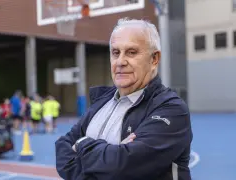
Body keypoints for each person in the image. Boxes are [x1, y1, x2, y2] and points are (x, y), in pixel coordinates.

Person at [55, 18, 193, 180]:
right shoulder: (101, 102)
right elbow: (62, 149)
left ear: (154, 59)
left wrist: (81, 144)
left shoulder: (171, 110)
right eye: (115, 53)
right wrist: (111, 155)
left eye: (131, 52)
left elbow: (124, 168)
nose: (120, 61)